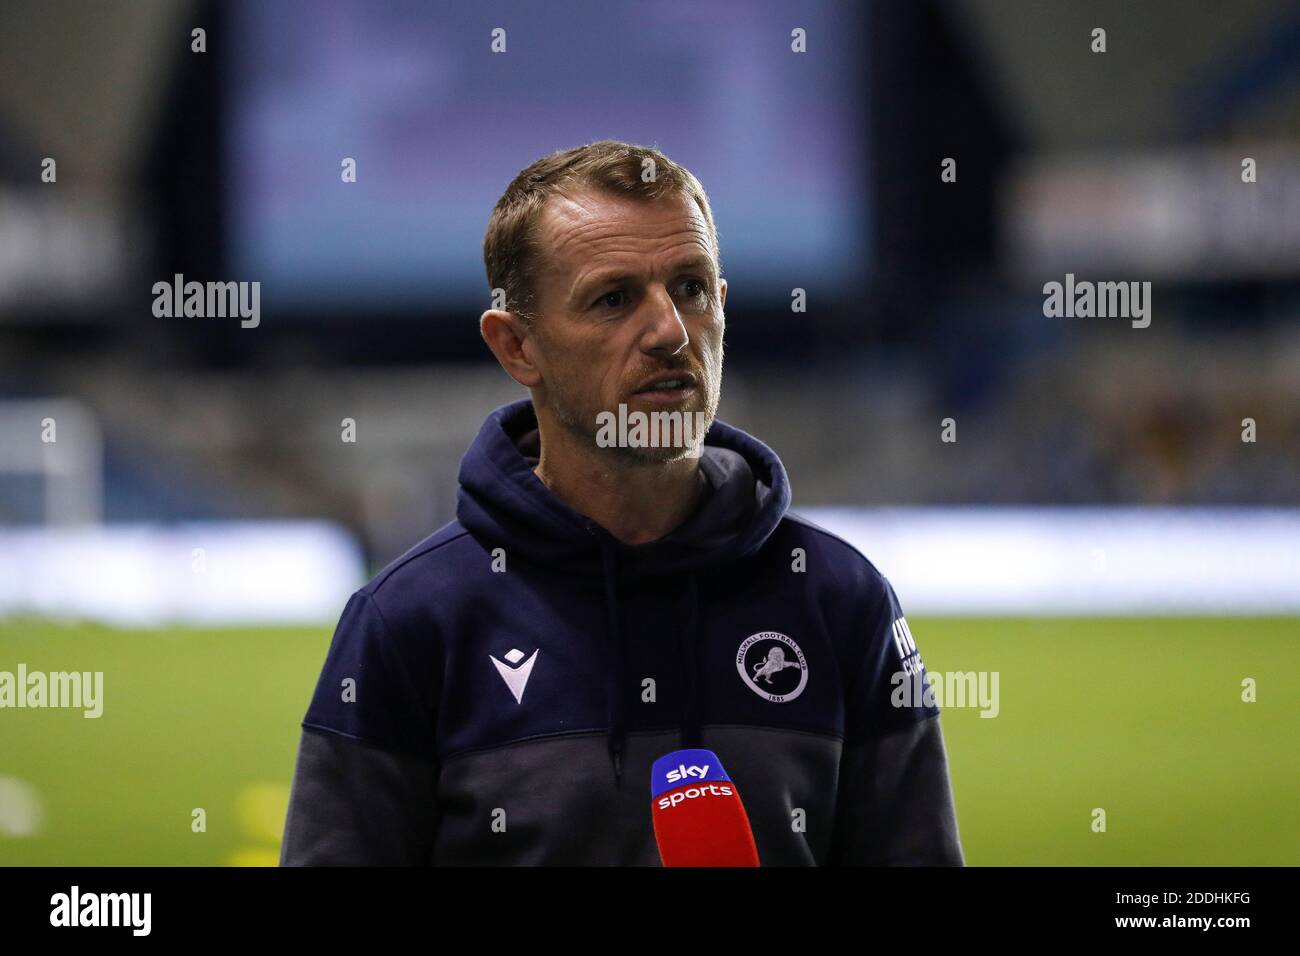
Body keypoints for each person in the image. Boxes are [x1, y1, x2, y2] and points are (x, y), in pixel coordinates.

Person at [280, 140, 964, 865]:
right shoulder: (409, 622)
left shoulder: (841, 601)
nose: (671, 331)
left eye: (692, 289)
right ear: (517, 347)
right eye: (613, 299)